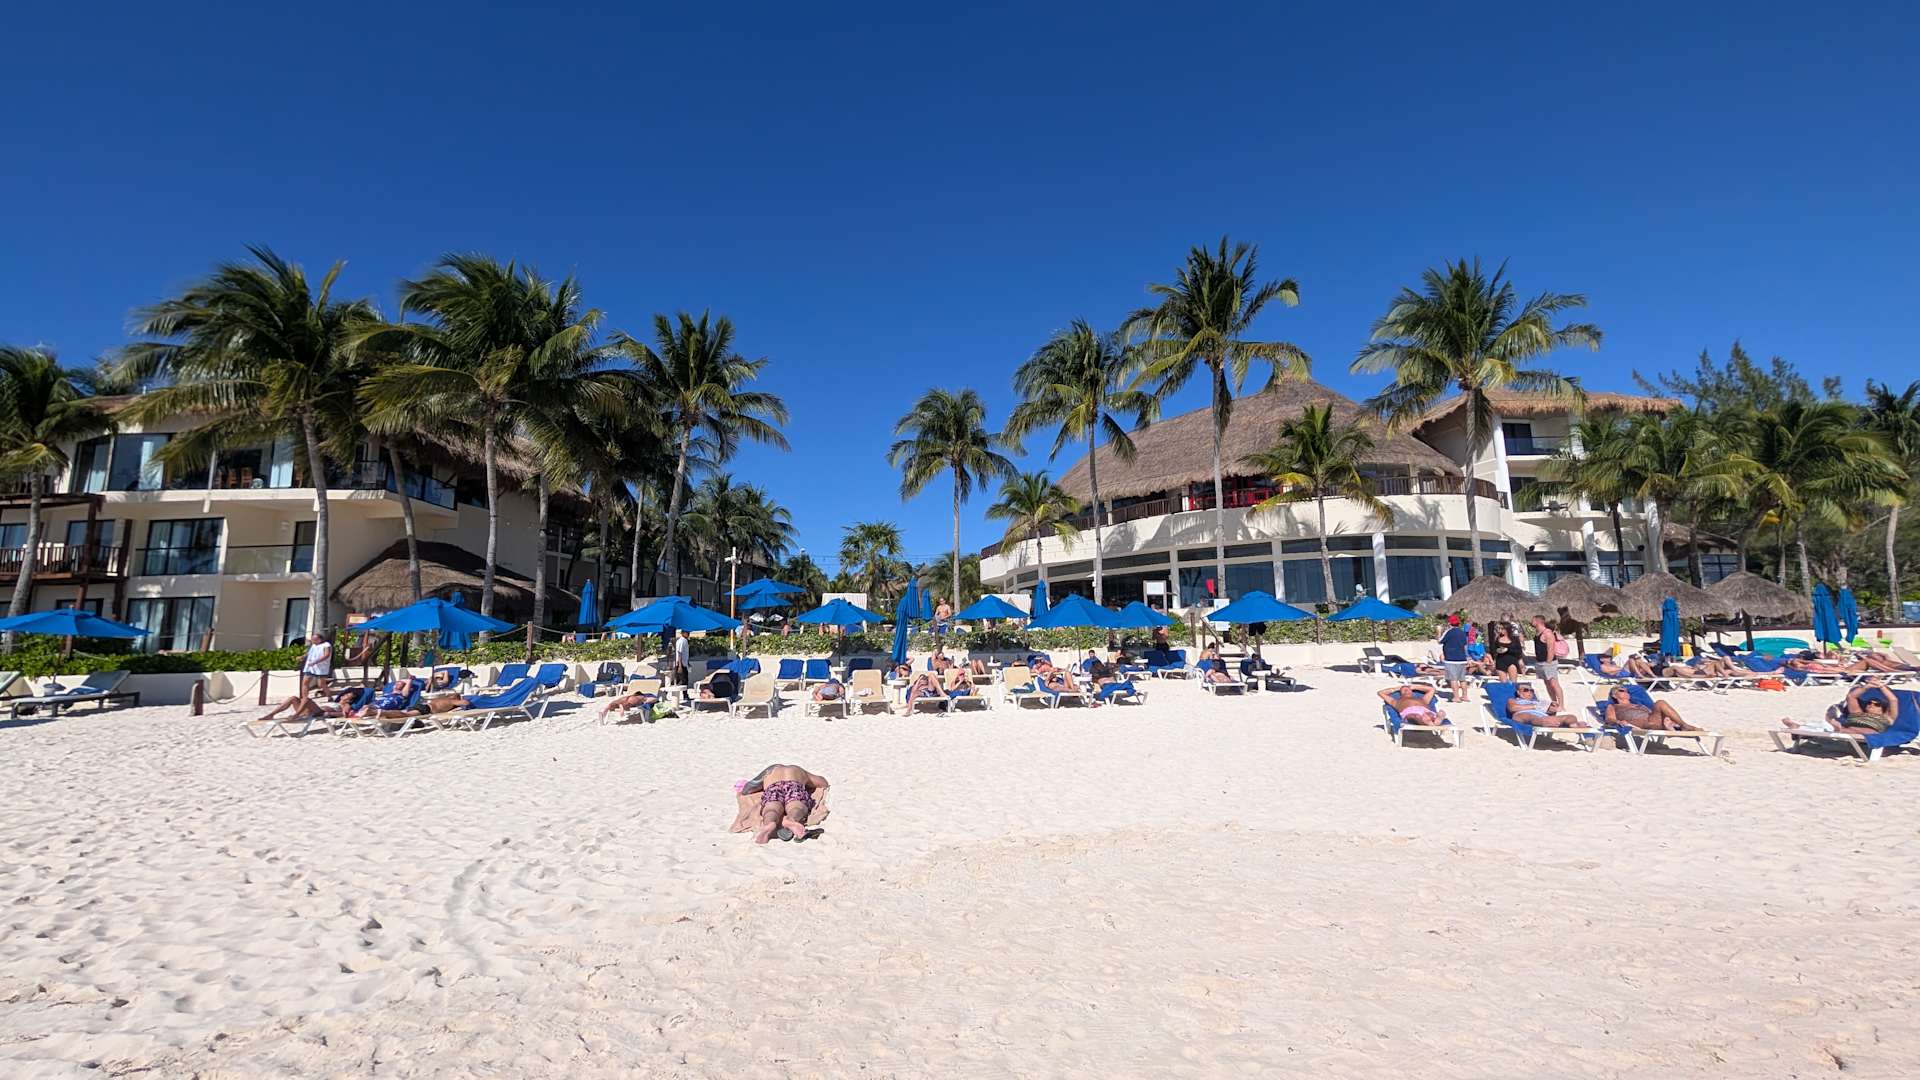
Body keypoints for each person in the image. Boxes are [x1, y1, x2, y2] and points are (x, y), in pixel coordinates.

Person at [736, 764, 831, 844]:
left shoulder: (770, 771)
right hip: (794, 786)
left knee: (771, 809)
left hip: (773, 788)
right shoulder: (798, 770)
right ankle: (791, 819)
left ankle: (769, 823)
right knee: (797, 807)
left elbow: (749, 788)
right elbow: (823, 783)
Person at [1784, 680, 1901, 735]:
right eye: (1870, 703)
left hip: (1867, 732)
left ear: (1883, 709)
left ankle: (1837, 729)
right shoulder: (1858, 712)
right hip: (1847, 728)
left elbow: (1893, 700)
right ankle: (1798, 726)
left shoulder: (1887, 718)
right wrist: (1867, 686)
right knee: (1823, 725)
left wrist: (1881, 686)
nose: (1871, 705)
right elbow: (1851, 696)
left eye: (1876, 704)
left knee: (1863, 731)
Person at [1602, 686, 1700, 732]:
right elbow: (1609, 719)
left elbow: (1651, 712)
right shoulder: (1613, 706)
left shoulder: (1637, 704)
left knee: (1660, 703)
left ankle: (1680, 725)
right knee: (1659, 705)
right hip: (1636, 722)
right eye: (1622, 691)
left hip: (1651, 718)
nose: (1626, 692)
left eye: (1627, 691)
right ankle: (1670, 726)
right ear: (1614, 695)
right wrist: (1618, 722)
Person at [1505, 683, 1587, 728]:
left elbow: (1551, 712)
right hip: (1522, 716)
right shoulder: (1513, 700)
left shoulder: (1538, 701)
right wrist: (1535, 707)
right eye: (1526, 690)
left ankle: (1573, 724)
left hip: (1544, 717)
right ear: (1518, 692)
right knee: (1528, 716)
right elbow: (1513, 708)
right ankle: (1544, 722)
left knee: (1570, 717)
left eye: (1531, 690)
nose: (1529, 692)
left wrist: (1552, 708)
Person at [1529, 615, 1567, 712]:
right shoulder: (1537, 633)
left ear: (1538, 621)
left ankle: (1561, 705)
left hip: (1549, 662)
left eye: (1532, 619)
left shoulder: (1547, 633)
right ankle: (1554, 702)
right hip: (1540, 662)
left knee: (1554, 684)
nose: (1531, 621)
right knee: (1547, 684)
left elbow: (1551, 649)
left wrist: (1548, 663)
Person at [1438, 615, 1472, 702]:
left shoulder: (1449, 632)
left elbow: (1440, 641)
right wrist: (1467, 656)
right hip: (1462, 659)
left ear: (1449, 623)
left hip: (1451, 659)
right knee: (1462, 679)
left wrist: (1439, 632)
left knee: (1453, 679)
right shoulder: (1462, 632)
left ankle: (1456, 697)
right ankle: (1465, 696)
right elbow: (1465, 645)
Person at [1378, 683, 1446, 725]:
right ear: (1400, 693)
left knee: (1430, 714)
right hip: (1409, 712)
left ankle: (1435, 720)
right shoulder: (1396, 702)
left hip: (1425, 711)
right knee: (1416, 716)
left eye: (1408, 689)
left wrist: (1414, 686)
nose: (1406, 690)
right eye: (1403, 690)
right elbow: (1380, 693)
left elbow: (1432, 689)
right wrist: (1396, 688)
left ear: (1412, 691)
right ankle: (1429, 722)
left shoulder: (1422, 699)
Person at [300, 629, 333, 695]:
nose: (312, 640)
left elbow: (326, 655)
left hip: (321, 668)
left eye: (314, 639)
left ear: (320, 639)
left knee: (322, 684)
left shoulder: (326, 645)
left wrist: (315, 662)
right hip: (310, 667)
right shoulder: (313, 645)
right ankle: (305, 698)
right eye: (312, 639)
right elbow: (309, 653)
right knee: (305, 682)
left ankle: (329, 696)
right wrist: (303, 657)